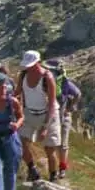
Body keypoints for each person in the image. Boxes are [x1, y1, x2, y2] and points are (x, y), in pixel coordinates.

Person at [15, 50, 62, 182]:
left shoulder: (48, 78)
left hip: (48, 114)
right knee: (21, 141)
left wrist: (45, 127)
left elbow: (51, 104)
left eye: (31, 65)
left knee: (49, 148)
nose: (28, 68)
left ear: (38, 63)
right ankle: (32, 169)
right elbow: (17, 92)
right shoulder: (23, 75)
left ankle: (53, 176)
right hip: (29, 113)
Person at [46, 60, 82, 179]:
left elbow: (78, 94)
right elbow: (78, 94)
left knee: (60, 144)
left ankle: (61, 168)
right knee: (57, 144)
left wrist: (70, 108)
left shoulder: (63, 83)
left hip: (60, 116)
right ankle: (57, 169)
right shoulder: (57, 82)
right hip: (56, 116)